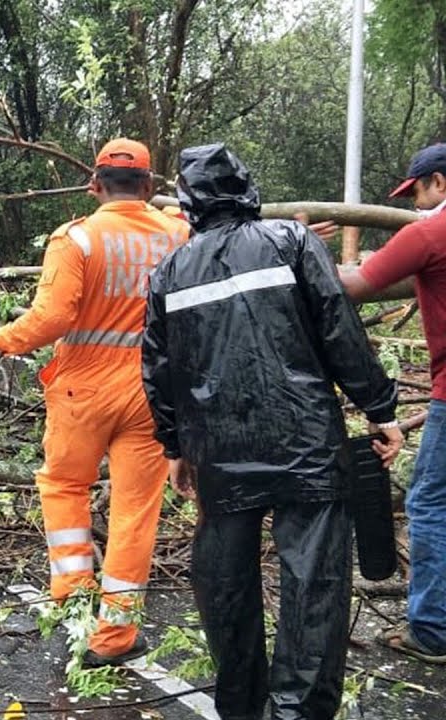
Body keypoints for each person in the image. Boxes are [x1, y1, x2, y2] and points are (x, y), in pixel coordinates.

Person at [142, 143, 403, 719]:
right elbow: (339, 329)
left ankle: (240, 707)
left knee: (225, 585)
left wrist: (175, 448)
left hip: (219, 451)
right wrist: (380, 409)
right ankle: (299, 713)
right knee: (314, 587)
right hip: (304, 441)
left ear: (188, 203)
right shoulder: (291, 242)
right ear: (246, 189)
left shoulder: (169, 272)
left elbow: (158, 370)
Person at [0, 139, 190, 666]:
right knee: (136, 512)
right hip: (153, 393)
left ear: (93, 184)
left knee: (64, 485)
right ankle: (113, 638)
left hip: (81, 391)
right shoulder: (180, 236)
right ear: (150, 188)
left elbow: (51, 319)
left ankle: (73, 595)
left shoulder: (77, 240)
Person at [340, 142, 446, 665]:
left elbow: (353, 285)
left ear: (440, 183)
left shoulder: (429, 233)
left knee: (429, 502)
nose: (418, 203)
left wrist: (298, 251)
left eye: (419, 191)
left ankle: (431, 630)